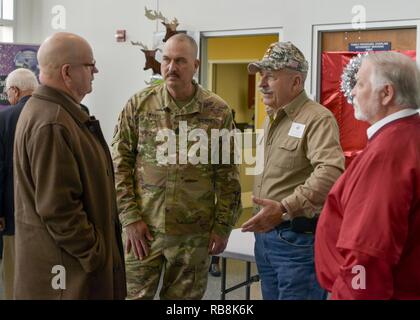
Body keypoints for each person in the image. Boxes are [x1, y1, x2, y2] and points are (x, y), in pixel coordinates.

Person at [112, 33, 241, 300]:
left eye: (180, 61)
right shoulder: (139, 105)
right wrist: (130, 218)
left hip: (194, 235)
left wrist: (222, 226)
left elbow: (227, 175)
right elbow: (119, 164)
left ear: (195, 65)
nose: (172, 68)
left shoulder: (217, 111)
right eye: (167, 60)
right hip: (143, 232)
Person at [13, 32, 126, 299]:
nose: (95, 70)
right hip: (67, 277)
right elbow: (59, 209)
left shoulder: (58, 115)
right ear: (67, 72)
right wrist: (96, 253)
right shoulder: (52, 123)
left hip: (69, 269)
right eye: (90, 64)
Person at [241, 42, 345, 300]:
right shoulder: (272, 118)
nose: (262, 83)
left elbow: (331, 172)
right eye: (261, 75)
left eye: (271, 76)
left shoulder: (317, 118)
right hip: (266, 240)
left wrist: (285, 208)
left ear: (296, 82)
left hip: (296, 242)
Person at [315, 51, 420, 300]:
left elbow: (368, 251)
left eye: (360, 84)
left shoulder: (389, 153)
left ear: (386, 93)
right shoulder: (407, 137)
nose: (352, 92)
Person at [0, 68, 38, 300]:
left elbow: (1, 167)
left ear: (15, 90)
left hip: (14, 211)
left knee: (14, 271)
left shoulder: (4, 118)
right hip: (54, 214)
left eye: (7, 93)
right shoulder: (58, 111)